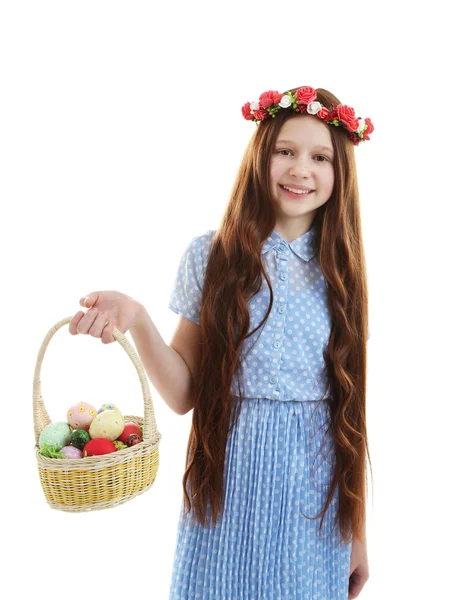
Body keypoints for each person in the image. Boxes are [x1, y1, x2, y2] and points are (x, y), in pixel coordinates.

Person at [70, 85, 373, 599]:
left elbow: (351, 412)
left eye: (320, 157)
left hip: (312, 496)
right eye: (285, 151)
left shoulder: (341, 272)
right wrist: (139, 320)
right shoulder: (211, 256)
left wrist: (359, 533)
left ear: (339, 172)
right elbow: (184, 393)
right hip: (226, 476)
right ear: (260, 158)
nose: (301, 168)